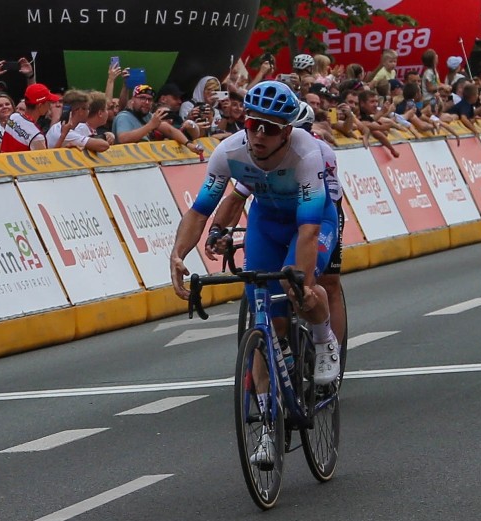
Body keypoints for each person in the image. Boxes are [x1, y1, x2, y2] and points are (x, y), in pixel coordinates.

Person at [170, 81, 341, 464]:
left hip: (309, 221)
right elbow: (201, 210)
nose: (259, 134)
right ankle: (267, 426)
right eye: (253, 124)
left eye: (271, 128)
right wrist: (179, 254)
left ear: (287, 131)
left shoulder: (308, 154)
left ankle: (322, 336)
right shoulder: (229, 152)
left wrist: (304, 280)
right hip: (266, 221)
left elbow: (310, 229)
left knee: (297, 286)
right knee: (265, 322)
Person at [206, 101, 347, 355]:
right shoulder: (262, 155)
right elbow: (237, 197)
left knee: (327, 282)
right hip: (273, 216)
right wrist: (217, 229)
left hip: (318, 212)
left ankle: (328, 345)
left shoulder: (319, 153)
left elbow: (329, 204)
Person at [112, 85, 202, 153]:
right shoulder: (123, 117)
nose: (146, 102)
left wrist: (188, 144)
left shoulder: (148, 116)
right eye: (142, 98)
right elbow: (123, 138)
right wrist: (150, 126)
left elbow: (170, 130)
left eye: (150, 99)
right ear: (133, 100)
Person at [45, 89, 111, 152]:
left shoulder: (62, 126)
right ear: (80, 111)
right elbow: (104, 146)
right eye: (87, 109)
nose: (89, 112)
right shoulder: (67, 133)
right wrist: (104, 137)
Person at [0, 83, 60, 152]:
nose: (49, 106)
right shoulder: (37, 136)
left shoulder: (14, 117)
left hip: (3, 162)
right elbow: (45, 160)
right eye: (48, 102)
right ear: (40, 106)